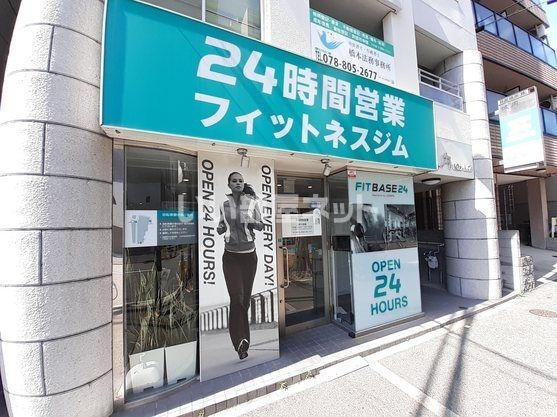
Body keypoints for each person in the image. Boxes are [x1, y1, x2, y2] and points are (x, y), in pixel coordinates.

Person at [217, 172, 264, 360]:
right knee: (236, 298)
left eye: (240, 181)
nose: (238, 183)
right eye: (234, 181)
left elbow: (261, 225)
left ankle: (243, 338)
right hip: (230, 257)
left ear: (243, 184)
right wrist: (220, 228)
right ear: (229, 184)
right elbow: (222, 225)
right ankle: (240, 343)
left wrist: (251, 221)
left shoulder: (252, 203)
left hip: (249, 256)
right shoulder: (223, 205)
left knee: (244, 300)